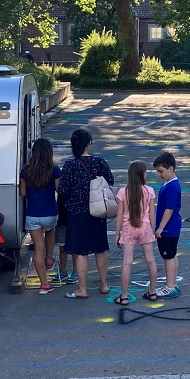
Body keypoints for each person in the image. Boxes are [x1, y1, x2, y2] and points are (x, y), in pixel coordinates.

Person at [56, 128, 114, 300]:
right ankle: (104, 285)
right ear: (89, 143)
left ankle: (82, 289)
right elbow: (110, 182)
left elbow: (63, 190)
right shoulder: (99, 162)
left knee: (80, 252)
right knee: (100, 249)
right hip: (98, 211)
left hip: (76, 213)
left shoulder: (69, 165)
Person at [19, 137, 61, 295]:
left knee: (38, 249)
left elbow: (22, 193)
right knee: (50, 231)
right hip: (50, 212)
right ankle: (49, 259)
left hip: (33, 214)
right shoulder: (54, 169)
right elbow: (59, 190)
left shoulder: (26, 170)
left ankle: (44, 284)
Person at [113, 161, 159, 305]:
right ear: (142, 174)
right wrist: (153, 229)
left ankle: (124, 296)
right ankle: (152, 292)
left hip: (128, 228)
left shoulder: (123, 192)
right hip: (145, 227)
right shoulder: (149, 191)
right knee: (150, 260)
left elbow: (119, 215)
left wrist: (117, 233)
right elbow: (152, 214)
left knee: (127, 262)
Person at [153, 151, 183, 299]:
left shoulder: (172, 186)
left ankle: (170, 286)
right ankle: (173, 283)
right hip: (172, 227)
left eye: (161, 171)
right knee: (172, 255)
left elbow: (169, 209)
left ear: (171, 168)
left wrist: (160, 228)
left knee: (168, 257)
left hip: (168, 228)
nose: (159, 174)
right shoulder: (169, 183)